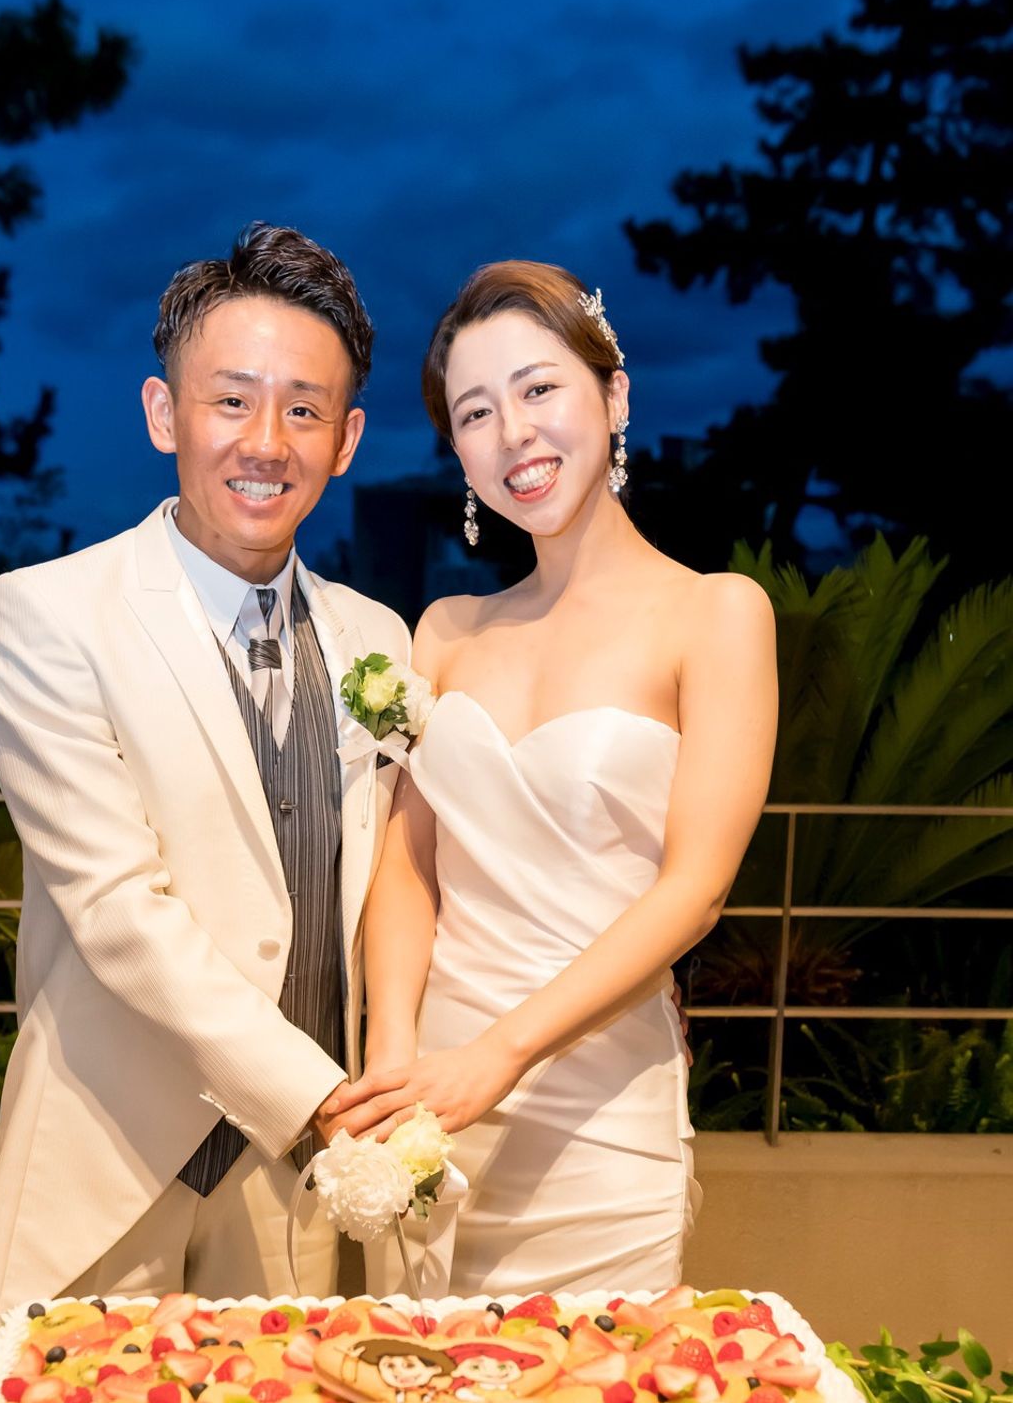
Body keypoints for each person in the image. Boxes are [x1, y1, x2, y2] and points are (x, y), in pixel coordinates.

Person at [0, 224, 410, 1362]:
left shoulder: (380, 640)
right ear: (164, 413)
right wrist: (318, 1099)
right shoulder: (48, 616)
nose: (266, 442)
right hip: (112, 1166)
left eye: (304, 410)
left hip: (296, 1197)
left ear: (347, 439)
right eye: (231, 401)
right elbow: (115, 910)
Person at [328, 261, 777, 1299]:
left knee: (600, 1394)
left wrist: (501, 1054)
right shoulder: (446, 631)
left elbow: (696, 888)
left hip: (596, 1115)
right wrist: (394, 1057)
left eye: (539, 389)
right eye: (476, 413)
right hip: (434, 1102)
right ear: (458, 454)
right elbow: (408, 860)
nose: (513, 434)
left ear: (613, 396)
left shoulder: (714, 615)